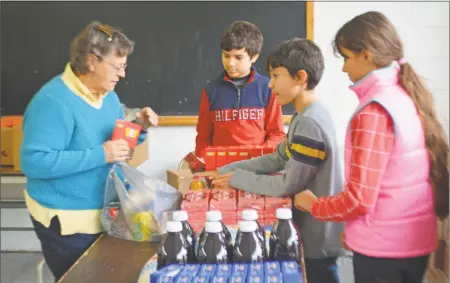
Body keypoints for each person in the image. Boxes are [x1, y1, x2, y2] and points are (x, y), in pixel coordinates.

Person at [294, 11, 449, 283]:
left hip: (385, 251)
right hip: (410, 241)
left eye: (346, 58)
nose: (344, 69)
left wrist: (313, 205)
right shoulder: (405, 95)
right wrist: (357, 231)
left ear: (366, 55)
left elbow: (358, 199)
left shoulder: (374, 111)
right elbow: (389, 181)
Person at [20, 21, 158, 281]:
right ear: (92, 61)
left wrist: (138, 128)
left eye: (124, 66)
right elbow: (35, 163)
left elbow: (115, 145)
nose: (123, 74)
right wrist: (100, 154)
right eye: (118, 67)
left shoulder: (108, 97)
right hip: (68, 224)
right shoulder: (53, 101)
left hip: (104, 214)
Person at [204, 38, 344, 283]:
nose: (270, 85)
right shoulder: (306, 115)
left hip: (316, 236)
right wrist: (226, 170)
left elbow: (286, 185)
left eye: (276, 76)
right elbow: (279, 157)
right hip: (313, 229)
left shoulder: (309, 123)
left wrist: (236, 179)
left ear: (300, 77)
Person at [194, 20, 286, 161]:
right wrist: (204, 163)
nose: (230, 63)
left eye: (238, 57)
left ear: (254, 56)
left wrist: (259, 157)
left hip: (257, 170)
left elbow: (277, 135)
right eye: (226, 55)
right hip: (220, 170)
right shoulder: (210, 91)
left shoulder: (268, 88)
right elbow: (203, 138)